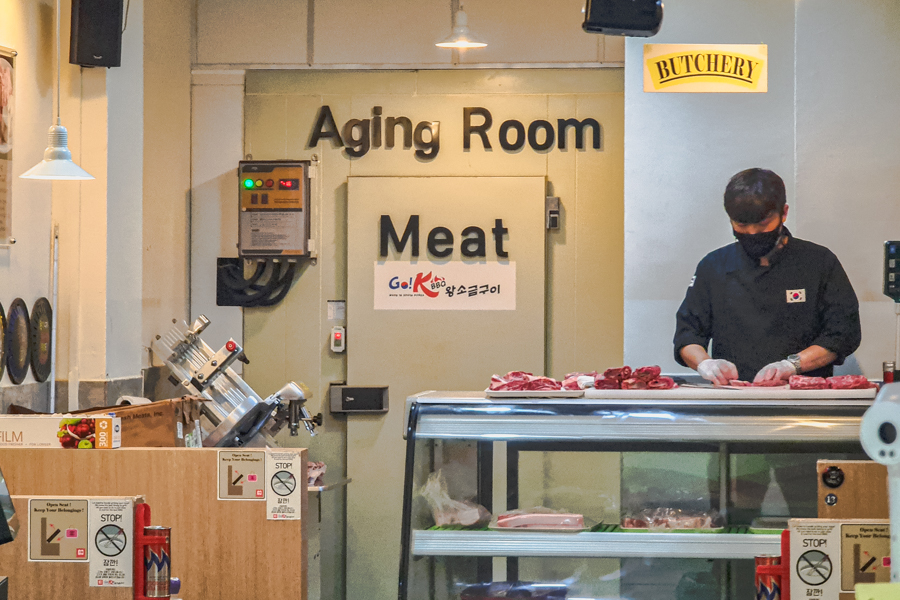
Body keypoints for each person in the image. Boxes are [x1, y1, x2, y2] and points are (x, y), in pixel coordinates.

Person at [674, 168, 861, 385]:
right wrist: (706, 364)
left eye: (763, 223)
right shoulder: (714, 266)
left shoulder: (819, 262)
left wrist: (792, 365)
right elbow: (688, 335)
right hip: (734, 398)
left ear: (784, 212)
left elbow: (842, 334)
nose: (752, 233)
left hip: (804, 399)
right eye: (742, 225)